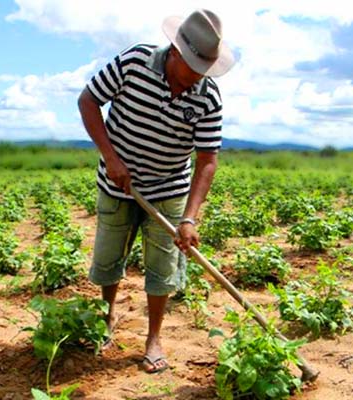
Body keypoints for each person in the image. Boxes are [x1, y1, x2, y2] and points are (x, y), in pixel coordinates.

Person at [77, 8, 234, 373]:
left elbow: (207, 159)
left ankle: (153, 339)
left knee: (162, 267)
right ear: (175, 51)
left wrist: (190, 217)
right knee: (107, 259)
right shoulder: (133, 63)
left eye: (204, 68)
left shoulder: (208, 97)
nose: (198, 76)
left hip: (168, 188)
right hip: (117, 183)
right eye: (193, 65)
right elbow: (88, 101)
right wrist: (111, 157)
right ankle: (107, 319)